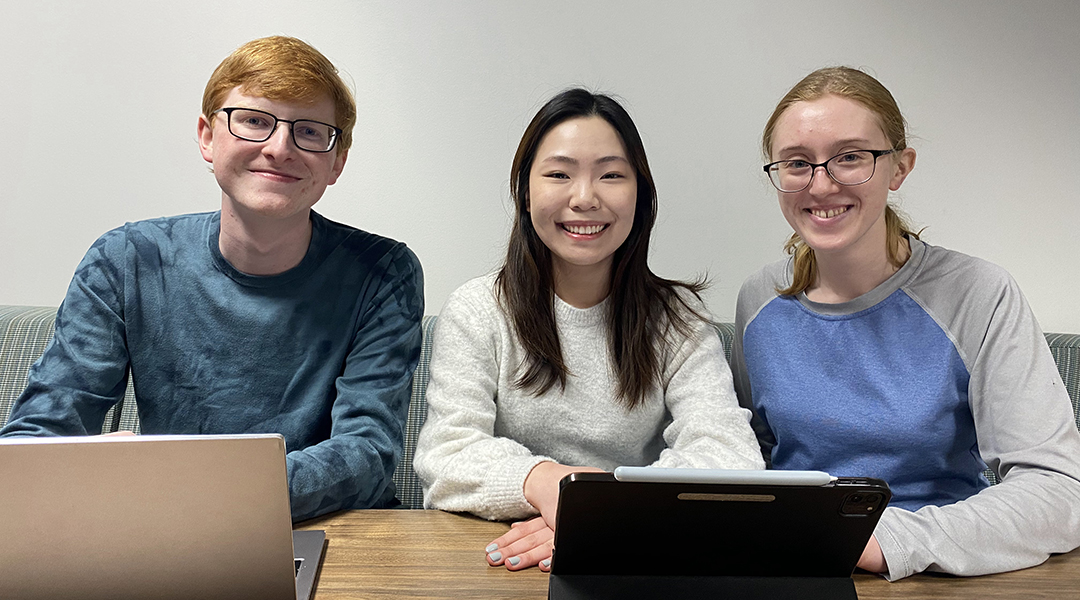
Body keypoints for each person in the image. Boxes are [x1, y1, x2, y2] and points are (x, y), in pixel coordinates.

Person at [0, 36, 424, 522]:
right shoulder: (127, 259)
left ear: (337, 162)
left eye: (309, 131)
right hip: (168, 531)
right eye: (254, 122)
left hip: (331, 530)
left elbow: (366, 454)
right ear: (207, 136)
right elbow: (33, 443)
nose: (279, 148)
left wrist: (177, 486)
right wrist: (119, 479)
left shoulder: (383, 271)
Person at [732, 66, 1080, 580]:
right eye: (797, 163)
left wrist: (881, 543)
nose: (821, 184)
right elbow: (745, 456)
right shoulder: (759, 299)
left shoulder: (979, 293)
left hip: (937, 573)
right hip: (789, 567)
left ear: (899, 168)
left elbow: (1057, 490)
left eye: (850, 157)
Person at [414, 88, 765, 572]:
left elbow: (730, 454)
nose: (584, 198)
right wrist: (546, 481)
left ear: (640, 194)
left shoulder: (678, 317)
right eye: (559, 174)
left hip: (642, 551)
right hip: (503, 558)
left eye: (611, 175)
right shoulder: (479, 310)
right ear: (525, 190)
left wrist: (605, 511)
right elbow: (445, 455)